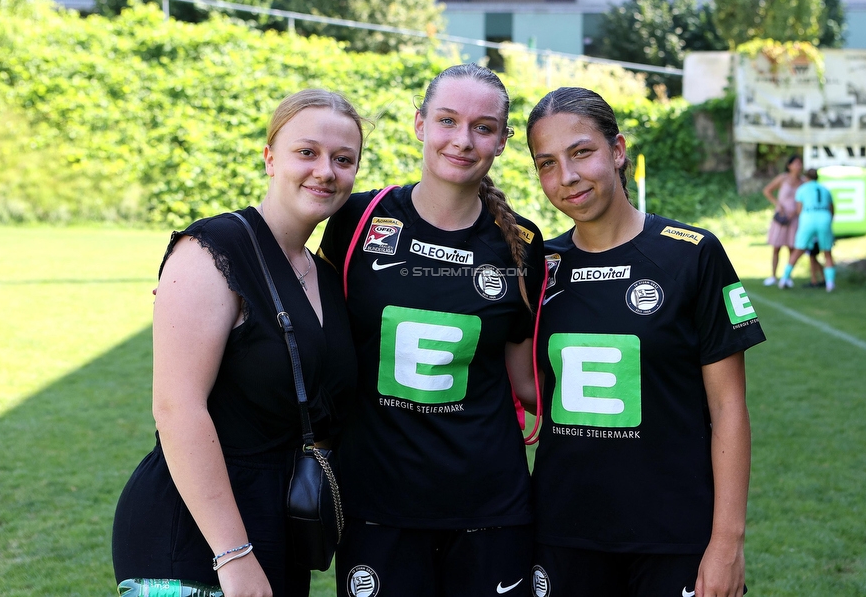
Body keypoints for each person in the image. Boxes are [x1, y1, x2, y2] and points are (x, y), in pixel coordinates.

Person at [112, 90, 363, 597]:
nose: (325, 171)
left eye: (344, 160)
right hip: (195, 540)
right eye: (306, 152)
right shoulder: (212, 249)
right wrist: (233, 556)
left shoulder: (327, 277)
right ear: (271, 158)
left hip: (281, 531)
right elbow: (177, 407)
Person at [525, 87, 766, 597]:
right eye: (547, 163)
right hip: (564, 533)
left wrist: (726, 542)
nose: (565, 177)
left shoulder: (693, 255)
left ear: (617, 150)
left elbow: (729, 407)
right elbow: (528, 388)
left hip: (674, 536)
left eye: (581, 152)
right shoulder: (537, 267)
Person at [318, 63, 544, 597]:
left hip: (491, 506)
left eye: (483, 127)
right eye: (447, 120)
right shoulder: (356, 218)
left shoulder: (522, 247)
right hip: (377, 506)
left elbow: (527, 383)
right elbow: (307, 320)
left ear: (503, 141)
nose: (462, 141)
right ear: (420, 123)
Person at [778, 167, 836, 292]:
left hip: (808, 219)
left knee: (798, 250)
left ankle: (784, 278)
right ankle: (830, 284)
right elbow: (832, 209)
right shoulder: (825, 189)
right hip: (824, 218)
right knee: (827, 252)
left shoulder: (802, 189)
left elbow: (799, 209)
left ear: (807, 178)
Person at [761, 154, 805, 286]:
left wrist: (796, 211)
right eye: (796, 163)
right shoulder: (782, 178)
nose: (798, 166)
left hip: (794, 218)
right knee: (777, 247)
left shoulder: (803, 182)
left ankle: (787, 276)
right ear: (789, 165)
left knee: (792, 248)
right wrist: (778, 204)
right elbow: (767, 191)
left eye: (800, 163)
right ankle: (773, 275)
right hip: (781, 217)